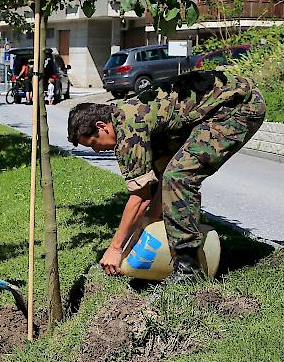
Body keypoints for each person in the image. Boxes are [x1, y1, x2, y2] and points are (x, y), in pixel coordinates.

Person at [67, 70, 266, 282]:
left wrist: (116, 248)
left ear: (102, 126)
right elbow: (154, 188)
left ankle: (189, 269)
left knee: (178, 177)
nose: (97, 151)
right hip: (219, 106)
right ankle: (179, 257)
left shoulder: (129, 129)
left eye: (93, 144)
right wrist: (145, 229)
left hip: (239, 107)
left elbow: (140, 198)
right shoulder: (126, 116)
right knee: (167, 176)